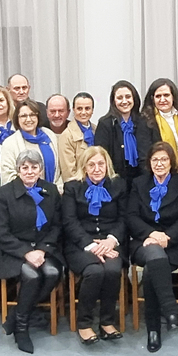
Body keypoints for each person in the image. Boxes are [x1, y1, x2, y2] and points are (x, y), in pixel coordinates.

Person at [0, 149, 64, 354]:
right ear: (18, 170)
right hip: (12, 250)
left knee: (52, 273)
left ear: (41, 170)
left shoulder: (50, 190)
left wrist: (41, 250)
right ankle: (21, 329)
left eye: (34, 167)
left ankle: (15, 315)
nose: (30, 171)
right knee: (31, 276)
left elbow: (57, 226)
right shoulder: (4, 193)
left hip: (43, 248)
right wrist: (26, 252)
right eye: (25, 167)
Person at [125, 142, 178, 352]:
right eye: (155, 159)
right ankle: (170, 309)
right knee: (154, 255)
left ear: (171, 162)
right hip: (143, 241)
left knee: (152, 269)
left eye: (164, 159)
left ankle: (153, 329)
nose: (160, 163)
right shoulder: (138, 184)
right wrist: (151, 234)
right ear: (149, 163)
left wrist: (168, 237)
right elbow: (131, 216)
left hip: (175, 245)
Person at [61, 146, 127, 344]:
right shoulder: (72, 187)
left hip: (110, 241)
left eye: (100, 164)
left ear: (107, 165)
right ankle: (84, 323)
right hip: (80, 244)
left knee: (113, 270)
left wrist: (111, 241)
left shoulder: (119, 185)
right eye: (91, 164)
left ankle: (107, 322)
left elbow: (124, 218)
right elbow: (69, 222)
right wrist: (91, 245)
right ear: (84, 167)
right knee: (94, 272)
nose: (97, 168)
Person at [95, 81, 156, 183]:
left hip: (141, 179)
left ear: (134, 99)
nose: (124, 101)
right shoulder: (105, 123)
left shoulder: (143, 121)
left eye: (128, 97)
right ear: (113, 101)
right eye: (119, 98)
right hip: (115, 181)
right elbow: (101, 156)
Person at [0, 100, 63, 192]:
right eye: (24, 116)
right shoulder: (9, 143)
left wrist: (56, 191)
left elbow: (60, 169)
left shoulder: (50, 135)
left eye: (32, 115)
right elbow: (7, 176)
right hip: (24, 200)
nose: (28, 119)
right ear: (17, 118)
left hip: (53, 197)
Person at [141, 78, 178, 166]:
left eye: (166, 95)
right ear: (152, 99)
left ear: (173, 97)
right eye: (158, 96)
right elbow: (144, 156)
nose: (162, 100)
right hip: (158, 174)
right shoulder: (145, 121)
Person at [58, 92, 96, 182]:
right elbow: (69, 172)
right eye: (79, 109)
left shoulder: (97, 129)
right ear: (73, 110)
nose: (83, 112)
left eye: (87, 108)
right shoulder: (67, 136)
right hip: (79, 187)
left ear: (92, 110)